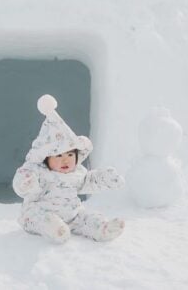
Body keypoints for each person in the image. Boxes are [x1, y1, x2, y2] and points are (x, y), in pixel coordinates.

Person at [13, 94, 125, 244]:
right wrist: (27, 183)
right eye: (58, 156)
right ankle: (54, 228)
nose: (66, 159)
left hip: (72, 214)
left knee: (86, 217)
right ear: (46, 158)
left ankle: (103, 229)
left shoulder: (77, 173)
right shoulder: (40, 173)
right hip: (40, 213)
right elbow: (23, 180)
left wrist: (106, 178)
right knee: (38, 217)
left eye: (70, 154)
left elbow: (89, 181)